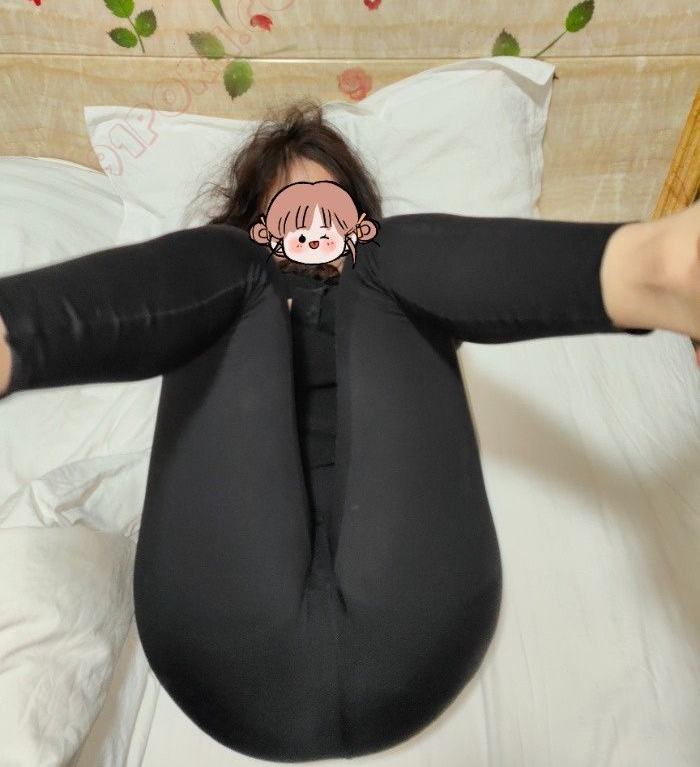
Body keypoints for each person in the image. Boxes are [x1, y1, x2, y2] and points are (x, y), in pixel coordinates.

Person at [0, 99, 697, 762]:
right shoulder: (222, 290)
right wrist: (250, 271)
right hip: (224, 646)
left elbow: (403, 269)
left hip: (415, 633)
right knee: (227, 272)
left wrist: (371, 269)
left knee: (389, 264)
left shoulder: (394, 287)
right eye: (287, 215)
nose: (312, 230)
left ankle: (657, 273)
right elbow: (212, 277)